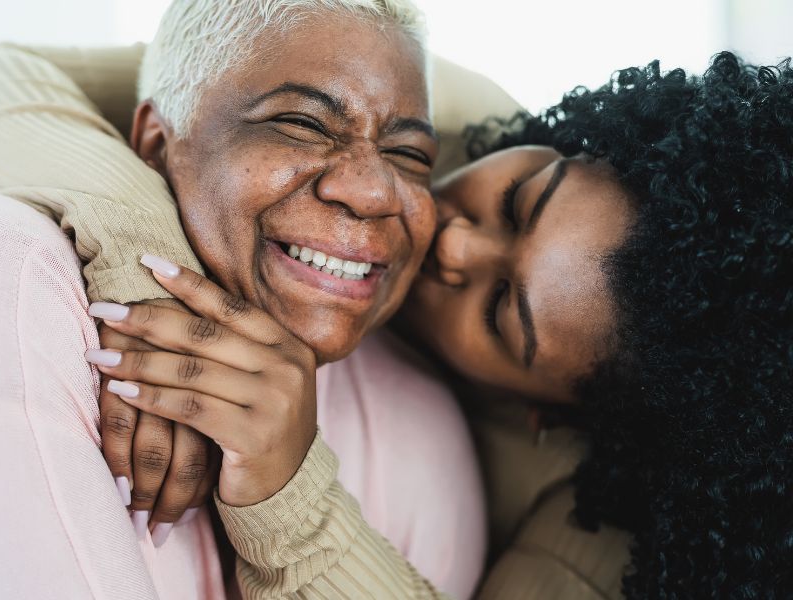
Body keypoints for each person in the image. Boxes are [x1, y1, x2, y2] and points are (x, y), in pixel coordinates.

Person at [65, 51, 792, 599]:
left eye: (501, 309)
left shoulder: (590, 541)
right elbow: (26, 75)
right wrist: (141, 268)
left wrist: (290, 492)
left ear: (545, 412)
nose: (454, 243)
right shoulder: (437, 114)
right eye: (517, 201)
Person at [0, 1, 501, 598]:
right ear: (157, 143)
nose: (371, 191)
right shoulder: (25, 288)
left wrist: (289, 507)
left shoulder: (427, 429)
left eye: (409, 155)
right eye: (303, 124)